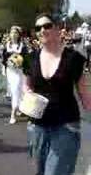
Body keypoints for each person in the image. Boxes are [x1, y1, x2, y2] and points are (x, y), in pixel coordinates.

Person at [25, 13, 87, 175]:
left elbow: (85, 95)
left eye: (47, 26)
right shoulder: (31, 58)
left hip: (65, 126)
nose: (42, 30)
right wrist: (29, 98)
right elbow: (27, 87)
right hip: (37, 127)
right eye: (38, 28)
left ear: (58, 29)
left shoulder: (74, 59)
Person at [4, 26, 27, 124]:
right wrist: (8, 62)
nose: (13, 35)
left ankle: (13, 113)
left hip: (19, 72)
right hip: (10, 71)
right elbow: (3, 58)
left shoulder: (22, 46)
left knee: (16, 89)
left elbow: (26, 59)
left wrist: (20, 62)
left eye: (15, 33)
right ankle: (18, 108)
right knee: (14, 90)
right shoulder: (7, 45)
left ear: (18, 35)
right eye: (12, 33)